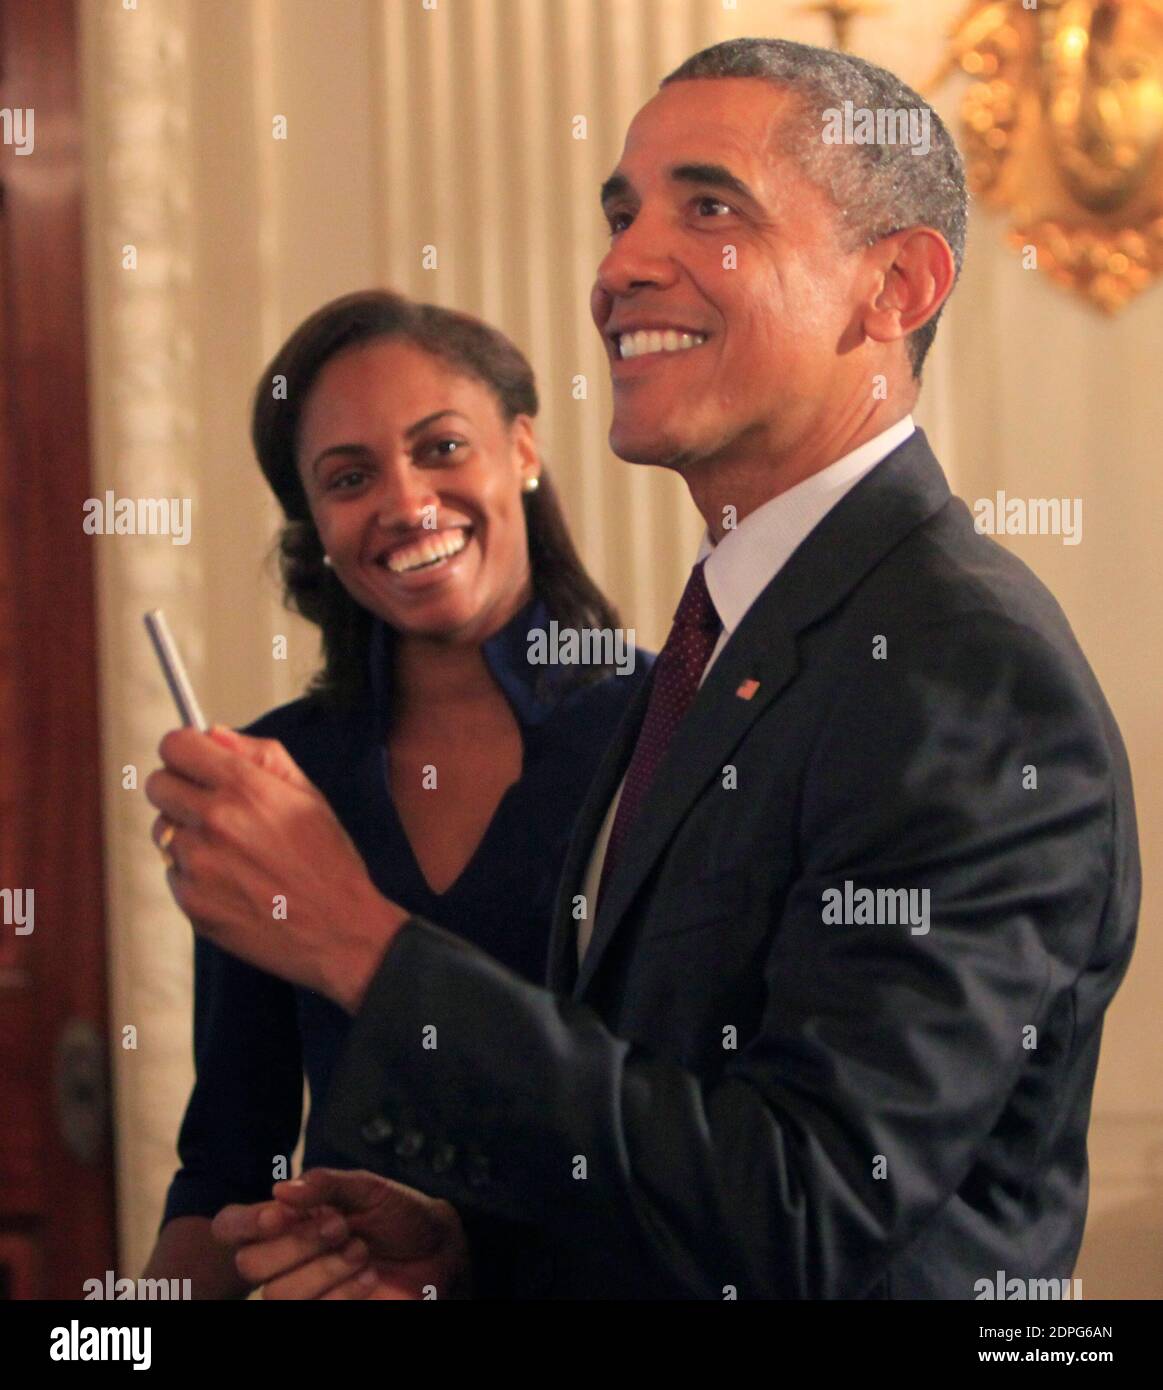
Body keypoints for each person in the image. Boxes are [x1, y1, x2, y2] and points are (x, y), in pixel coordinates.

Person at [148, 38, 1140, 1299]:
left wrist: (352, 936)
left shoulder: (967, 673)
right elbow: (678, 1143)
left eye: (709, 206)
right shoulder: (721, 639)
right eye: (619, 215)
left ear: (891, 286)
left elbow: (812, 1211)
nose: (617, 267)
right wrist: (478, 1249)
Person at [141, 289, 651, 1297]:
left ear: (522, 447)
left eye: (441, 447)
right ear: (315, 526)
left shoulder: (668, 732)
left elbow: (695, 1141)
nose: (406, 501)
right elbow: (225, 1165)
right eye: (348, 476)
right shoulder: (267, 776)